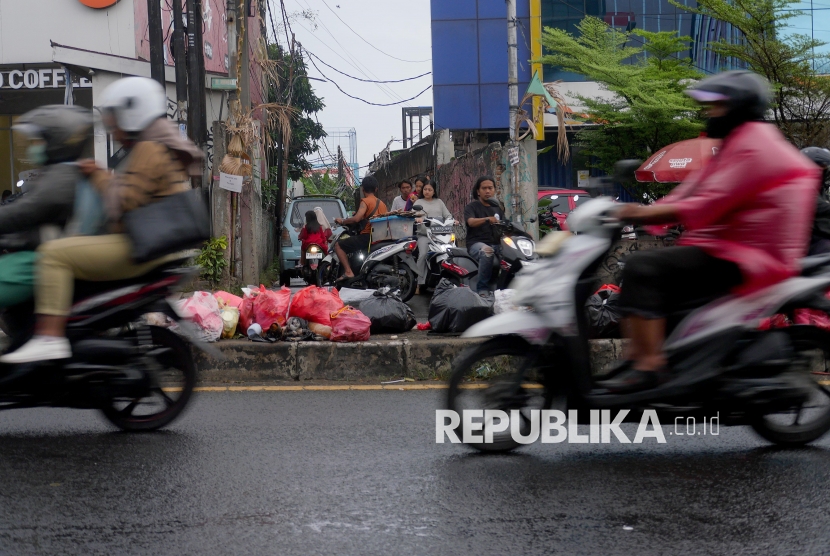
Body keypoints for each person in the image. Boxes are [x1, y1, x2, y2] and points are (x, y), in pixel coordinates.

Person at [597, 70, 820, 393]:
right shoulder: (738, 142)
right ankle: (649, 358)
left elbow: (711, 201)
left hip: (748, 257)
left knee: (642, 267)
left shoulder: (755, 146)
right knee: (655, 275)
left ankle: (648, 367)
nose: (709, 113)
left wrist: (642, 212)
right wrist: (646, 215)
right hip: (730, 247)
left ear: (737, 107)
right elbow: (694, 189)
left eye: (715, 107)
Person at [0, 77, 204, 364]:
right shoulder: (153, 146)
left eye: (115, 120)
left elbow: (126, 202)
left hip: (139, 245)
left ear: (133, 114)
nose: (112, 128)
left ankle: (49, 337)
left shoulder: (149, 148)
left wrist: (97, 176)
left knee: (53, 254)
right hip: (143, 243)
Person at [0, 105, 92, 312]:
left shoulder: (61, 177)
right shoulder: (58, 173)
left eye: (40, 140)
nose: (34, 146)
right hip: (44, 250)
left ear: (56, 143)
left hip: (42, 257)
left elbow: (24, 212)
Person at [332, 175, 388, 280]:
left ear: (363, 189)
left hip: (368, 236)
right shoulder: (382, 204)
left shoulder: (365, 201)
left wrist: (343, 221)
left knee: (338, 245)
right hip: (381, 236)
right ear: (376, 189)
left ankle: (348, 272)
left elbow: (357, 219)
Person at [464, 176, 506, 296]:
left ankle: (504, 287)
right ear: (478, 191)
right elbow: (471, 222)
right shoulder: (472, 207)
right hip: (476, 243)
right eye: (484, 188)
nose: (487, 191)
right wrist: (487, 219)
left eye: (490, 188)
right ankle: (482, 288)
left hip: (497, 243)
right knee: (488, 251)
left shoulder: (498, 208)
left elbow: (505, 224)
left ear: (494, 190)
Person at [413, 181, 453, 294]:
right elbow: (412, 215)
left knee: (447, 254)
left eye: (430, 189)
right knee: (422, 255)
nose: (427, 191)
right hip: (424, 235)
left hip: (439, 236)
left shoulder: (439, 202)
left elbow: (448, 215)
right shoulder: (418, 202)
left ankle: (443, 282)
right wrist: (417, 219)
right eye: (425, 189)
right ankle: (418, 284)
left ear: (434, 191)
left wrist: (452, 220)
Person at [799, 147, 830, 255]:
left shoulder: (821, 188)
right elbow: (816, 204)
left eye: (824, 169)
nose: (822, 172)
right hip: (810, 243)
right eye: (820, 168)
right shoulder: (799, 186)